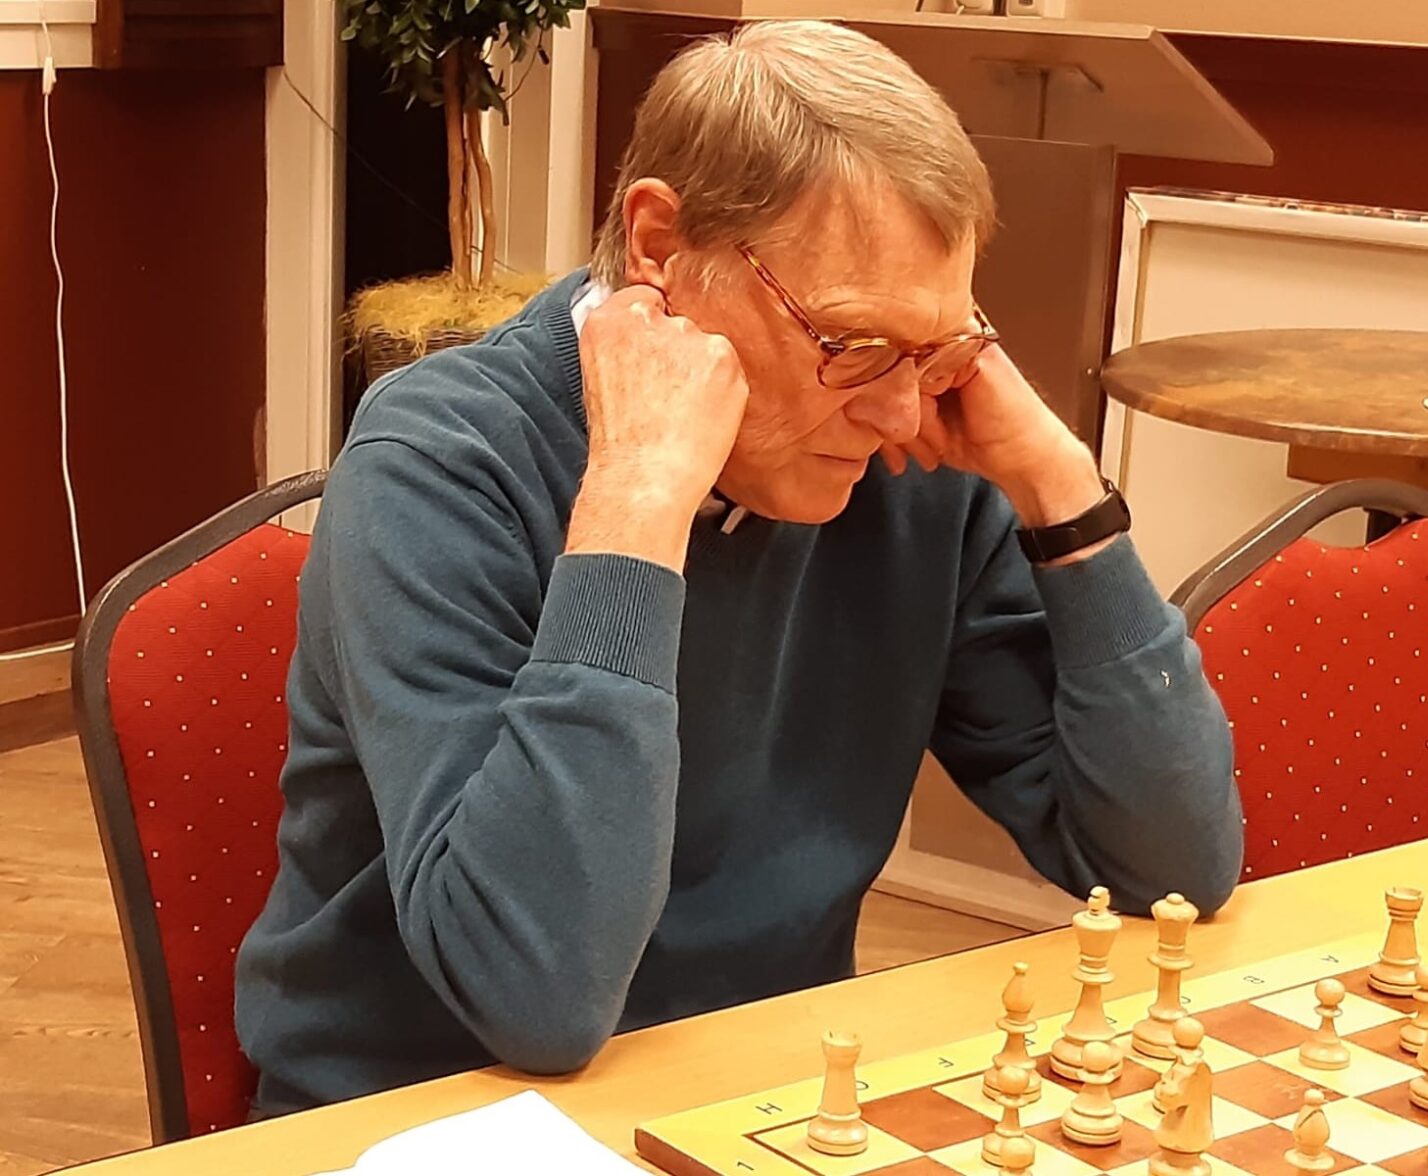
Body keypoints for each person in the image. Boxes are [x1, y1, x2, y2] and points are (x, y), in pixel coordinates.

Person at [234, 19, 1242, 1118]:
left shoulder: (907, 460)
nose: (900, 410)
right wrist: (637, 497)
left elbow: (1172, 871)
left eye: (934, 350)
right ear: (660, 245)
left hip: (755, 1101)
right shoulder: (438, 461)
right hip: (423, 1114)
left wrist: (1060, 487)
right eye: (852, 343)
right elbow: (536, 997)